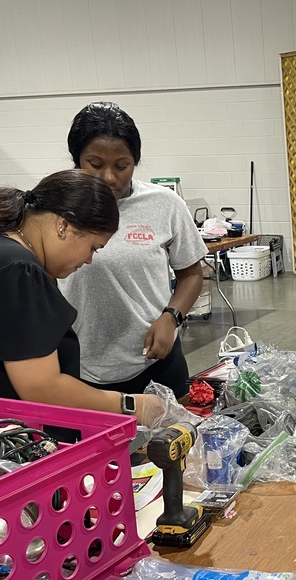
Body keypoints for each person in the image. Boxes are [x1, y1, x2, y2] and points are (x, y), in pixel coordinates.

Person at [0, 170, 162, 427]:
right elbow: (42, 387)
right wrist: (133, 406)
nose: (89, 260)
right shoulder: (18, 270)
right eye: (93, 247)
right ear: (63, 225)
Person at [61, 102, 206, 398]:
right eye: (95, 164)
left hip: (155, 361)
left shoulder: (164, 204)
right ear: (77, 161)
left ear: (135, 162)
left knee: (173, 442)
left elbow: (191, 274)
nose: (110, 178)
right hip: (80, 368)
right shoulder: (57, 206)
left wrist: (171, 317)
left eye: (122, 165)